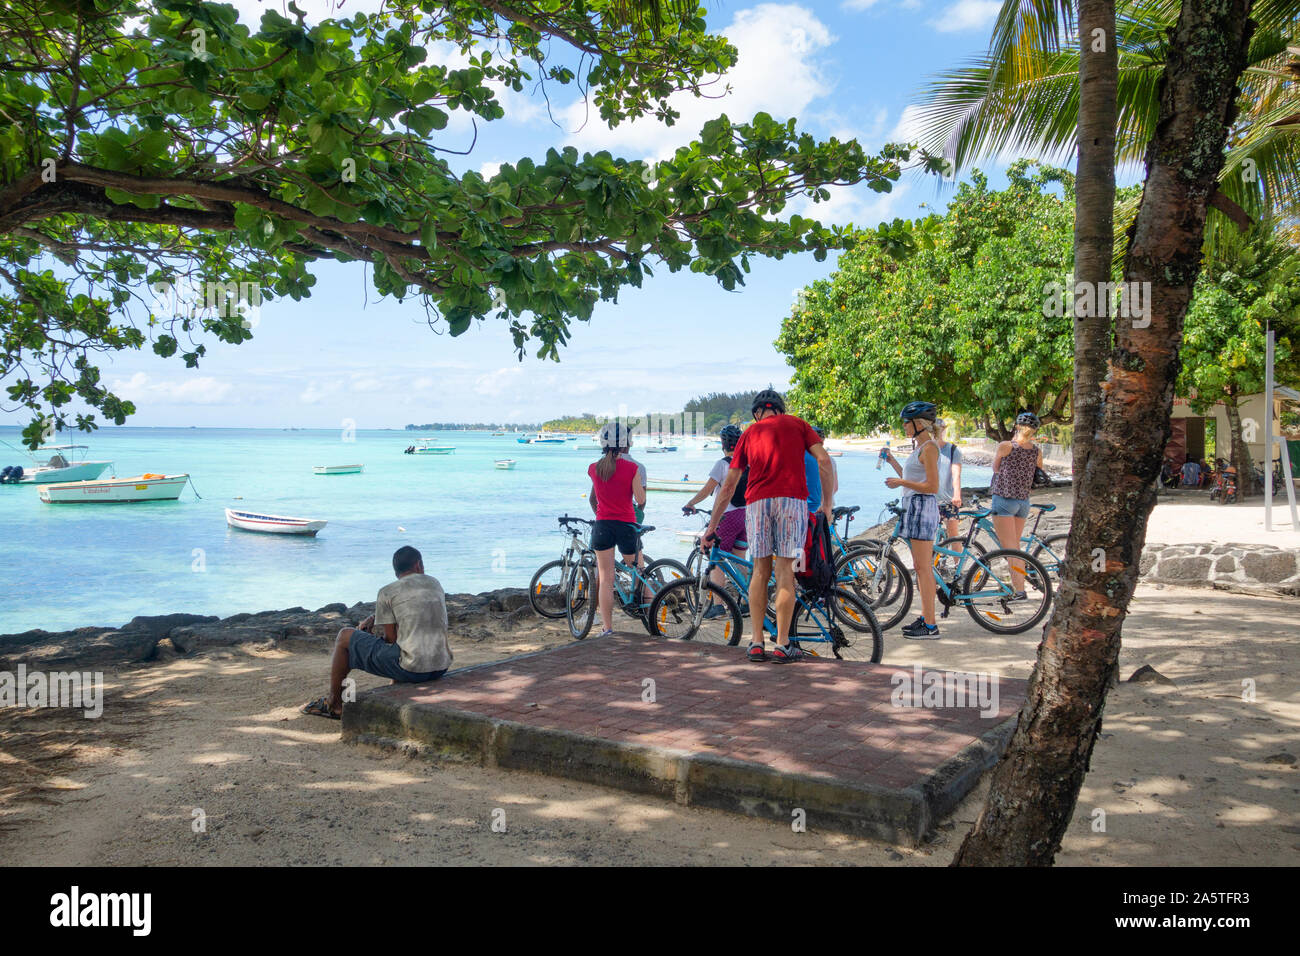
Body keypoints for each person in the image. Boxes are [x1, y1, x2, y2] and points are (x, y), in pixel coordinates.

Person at [701, 389, 833, 663]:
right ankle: (783, 644)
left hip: (758, 503)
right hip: (792, 502)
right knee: (785, 571)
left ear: (757, 412)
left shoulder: (749, 433)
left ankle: (756, 642)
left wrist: (712, 526)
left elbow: (729, 485)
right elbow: (823, 460)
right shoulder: (798, 425)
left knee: (760, 571)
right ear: (780, 410)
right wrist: (827, 504)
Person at [302, 546, 451, 718]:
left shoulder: (387, 591)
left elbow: (390, 640)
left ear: (396, 571)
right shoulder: (434, 583)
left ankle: (334, 704)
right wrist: (375, 617)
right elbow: (415, 615)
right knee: (405, 644)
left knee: (345, 637)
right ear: (418, 565)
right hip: (440, 666)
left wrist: (368, 635)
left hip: (414, 670)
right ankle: (394, 688)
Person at [882, 402, 942, 638]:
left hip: (922, 506)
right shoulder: (920, 448)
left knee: (924, 568)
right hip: (914, 505)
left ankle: (931, 625)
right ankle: (926, 618)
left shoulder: (929, 447)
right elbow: (910, 477)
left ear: (919, 423)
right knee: (920, 567)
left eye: (907, 422)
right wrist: (892, 462)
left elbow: (932, 486)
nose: (904, 427)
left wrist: (901, 483)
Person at [587, 421, 647, 638]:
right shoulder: (633, 469)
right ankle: (649, 608)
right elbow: (640, 500)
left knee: (605, 579)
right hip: (627, 526)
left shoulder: (594, 469)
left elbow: (594, 499)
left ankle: (607, 628)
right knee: (640, 571)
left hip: (603, 526)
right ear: (626, 444)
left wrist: (603, 512)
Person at [683, 423, 748, 618]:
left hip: (726, 516)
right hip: (745, 515)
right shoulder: (748, 464)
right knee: (740, 560)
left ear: (723, 444)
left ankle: (718, 605)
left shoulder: (722, 464)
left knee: (717, 559)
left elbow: (707, 489)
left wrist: (691, 503)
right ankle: (745, 603)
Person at [989, 411, 1045, 596]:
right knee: (1016, 548)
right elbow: (1038, 473)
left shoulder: (1006, 446)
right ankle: (1016, 586)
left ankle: (1020, 590)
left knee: (1011, 550)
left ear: (1017, 426)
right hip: (1023, 503)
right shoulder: (1037, 451)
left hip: (1004, 499)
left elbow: (995, 468)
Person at [933, 418, 964, 538]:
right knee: (930, 536)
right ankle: (935, 557)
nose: (938, 432)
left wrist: (957, 494)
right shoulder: (926, 450)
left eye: (941, 429)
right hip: (931, 499)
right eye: (935, 429)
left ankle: (958, 558)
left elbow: (956, 474)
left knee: (953, 534)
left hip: (948, 499)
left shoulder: (953, 450)